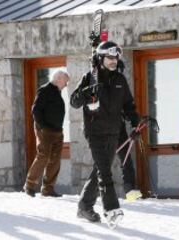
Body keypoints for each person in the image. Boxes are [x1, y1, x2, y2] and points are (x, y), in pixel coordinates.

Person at [70, 41, 139, 224]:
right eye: (109, 57)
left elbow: (128, 105)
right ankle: (112, 210)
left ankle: (84, 206)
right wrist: (87, 93)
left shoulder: (120, 80)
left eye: (115, 57)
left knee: (101, 169)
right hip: (95, 132)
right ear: (100, 58)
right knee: (105, 173)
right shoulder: (89, 78)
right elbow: (74, 102)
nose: (113, 60)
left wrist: (135, 122)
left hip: (114, 131)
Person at [23, 70, 70, 198]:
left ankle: (48, 189)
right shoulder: (44, 90)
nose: (66, 85)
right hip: (46, 130)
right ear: (59, 79)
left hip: (57, 130)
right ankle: (29, 185)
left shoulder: (57, 92)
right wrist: (42, 127)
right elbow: (36, 110)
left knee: (55, 160)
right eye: (65, 82)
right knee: (43, 156)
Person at [117, 118, 136, 194]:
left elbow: (129, 107)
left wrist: (135, 126)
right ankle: (89, 198)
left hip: (119, 130)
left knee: (127, 164)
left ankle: (132, 197)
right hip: (102, 133)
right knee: (101, 166)